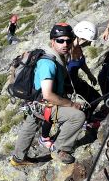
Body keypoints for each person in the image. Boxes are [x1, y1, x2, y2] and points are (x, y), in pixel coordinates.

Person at [10, 23, 86, 165]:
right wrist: (71, 104)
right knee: (77, 116)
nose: (65, 44)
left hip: (34, 102)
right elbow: (48, 95)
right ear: (52, 41)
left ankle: (18, 158)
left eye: (68, 41)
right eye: (60, 40)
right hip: (44, 103)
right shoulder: (48, 63)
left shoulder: (51, 55)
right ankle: (60, 150)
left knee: (30, 125)